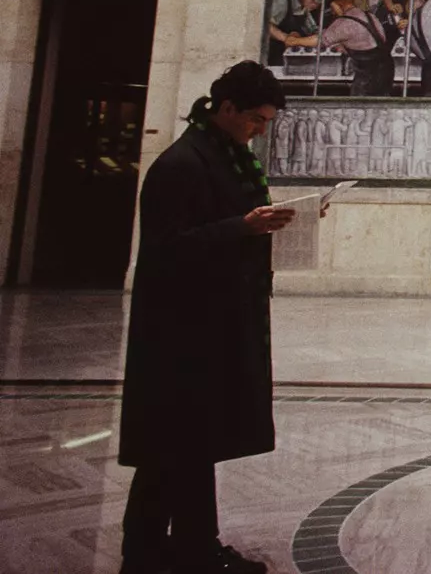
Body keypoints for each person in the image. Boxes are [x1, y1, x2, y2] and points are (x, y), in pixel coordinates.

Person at [120, 62, 295, 574]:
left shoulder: (221, 155)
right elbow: (165, 248)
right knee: (175, 446)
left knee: (186, 446)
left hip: (209, 323)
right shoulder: (182, 163)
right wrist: (242, 227)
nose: (259, 130)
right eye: (255, 119)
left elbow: (228, 218)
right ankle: (172, 551)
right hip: (180, 331)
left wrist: (269, 222)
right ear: (227, 108)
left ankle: (173, 548)